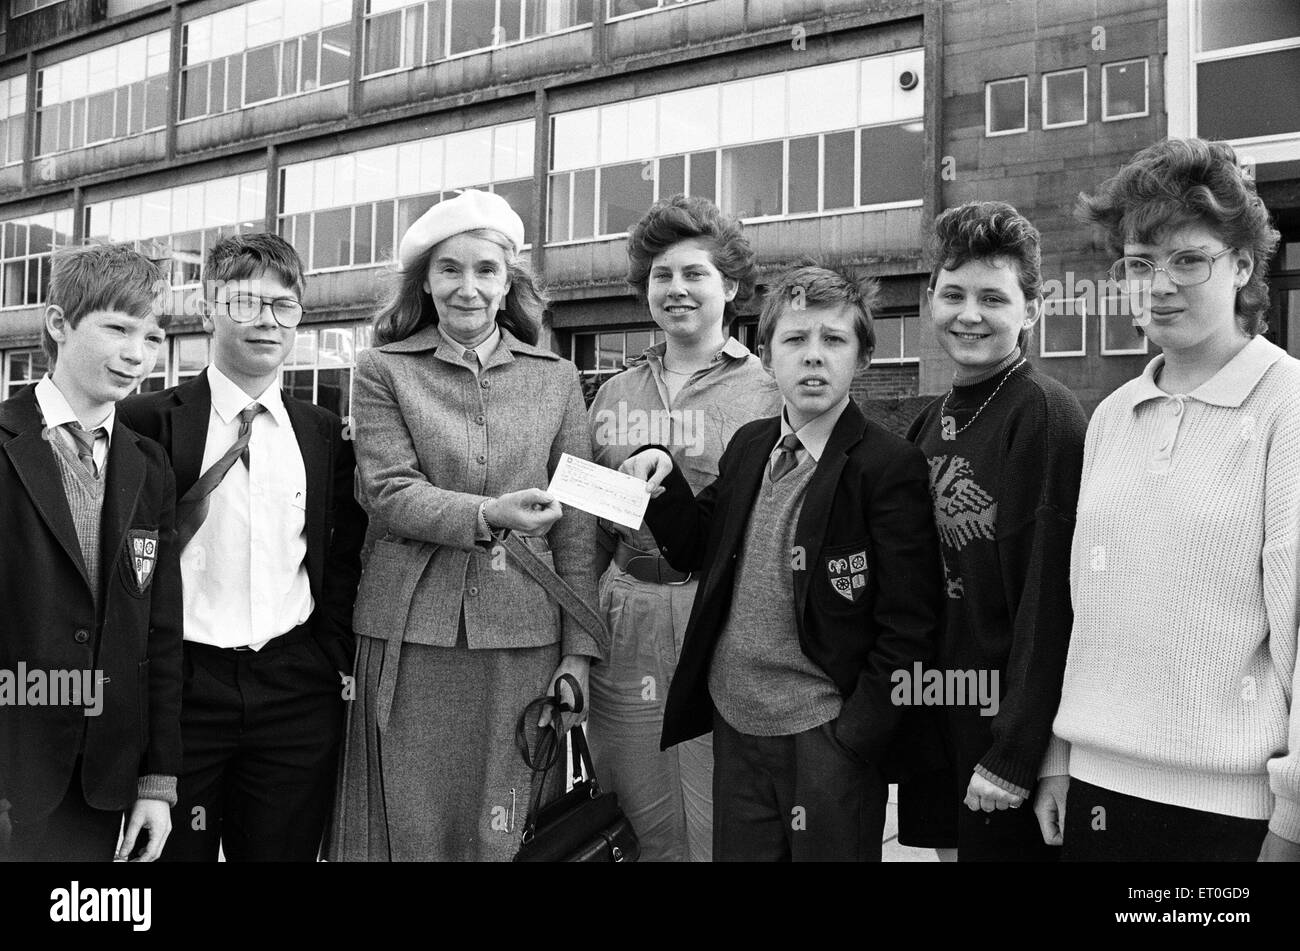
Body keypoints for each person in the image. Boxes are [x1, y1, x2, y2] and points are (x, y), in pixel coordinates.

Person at [1035, 137, 1300, 862]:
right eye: (1140, 264)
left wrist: (1296, 812)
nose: (1159, 284)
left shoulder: (1288, 405)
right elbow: (1087, 607)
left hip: (1233, 812)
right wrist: (1060, 756)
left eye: (1190, 259)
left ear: (1243, 265)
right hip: (1095, 792)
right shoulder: (1112, 416)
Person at [621, 264, 942, 861]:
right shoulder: (750, 444)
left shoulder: (887, 465)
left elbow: (911, 622)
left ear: (863, 357)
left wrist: (857, 735)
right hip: (737, 723)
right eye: (795, 340)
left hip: (825, 733)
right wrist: (659, 472)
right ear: (767, 356)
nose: (813, 357)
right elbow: (698, 546)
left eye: (834, 340)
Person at [330, 189, 605, 862]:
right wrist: (486, 514)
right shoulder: (381, 369)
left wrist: (578, 652)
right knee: (410, 824)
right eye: (449, 268)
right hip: (410, 629)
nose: (468, 287)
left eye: (486, 269)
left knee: (506, 826)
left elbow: (576, 529)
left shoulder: (557, 378)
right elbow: (388, 492)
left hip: (524, 633)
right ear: (425, 279)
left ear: (509, 280)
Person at [118, 233, 367, 862]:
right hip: (182, 694)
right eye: (246, 303)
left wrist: (326, 654)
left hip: (294, 690)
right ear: (207, 310)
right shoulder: (145, 420)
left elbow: (339, 553)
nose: (267, 321)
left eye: (284, 306)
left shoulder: (320, 429)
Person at [587, 195, 780, 862]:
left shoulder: (769, 392)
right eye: (661, 275)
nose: (676, 289)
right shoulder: (612, 394)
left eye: (694, 273)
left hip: (717, 620)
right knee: (629, 803)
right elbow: (590, 532)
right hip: (625, 616)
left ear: (729, 286)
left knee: (718, 811)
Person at [896, 201, 1086, 861]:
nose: (968, 313)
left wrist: (1018, 752)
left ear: (1032, 309)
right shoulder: (929, 422)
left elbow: (1049, 603)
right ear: (930, 299)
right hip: (939, 713)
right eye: (952, 293)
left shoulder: (1044, 417)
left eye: (992, 297)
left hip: (1003, 731)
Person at [0, 244, 182, 862]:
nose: (137, 354)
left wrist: (158, 781)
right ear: (58, 323)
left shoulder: (147, 464)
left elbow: (159, 629)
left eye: (153, 337)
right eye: (118, 328)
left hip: (101, 779)